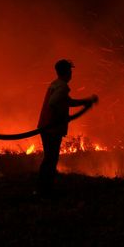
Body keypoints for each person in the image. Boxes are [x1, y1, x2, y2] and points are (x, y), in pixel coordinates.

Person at [37, 59, 98, 197]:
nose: (71, 73)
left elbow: (67, 102)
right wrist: (60, 118)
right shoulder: (62, 87)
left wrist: (85, 101)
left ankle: (42, 188)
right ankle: (45, 190)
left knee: (49, 158)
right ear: (67, 72)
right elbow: (53, 103)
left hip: (46, 127)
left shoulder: (55, 84)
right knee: (51, 159)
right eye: (70, 71)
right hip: (52, 128)